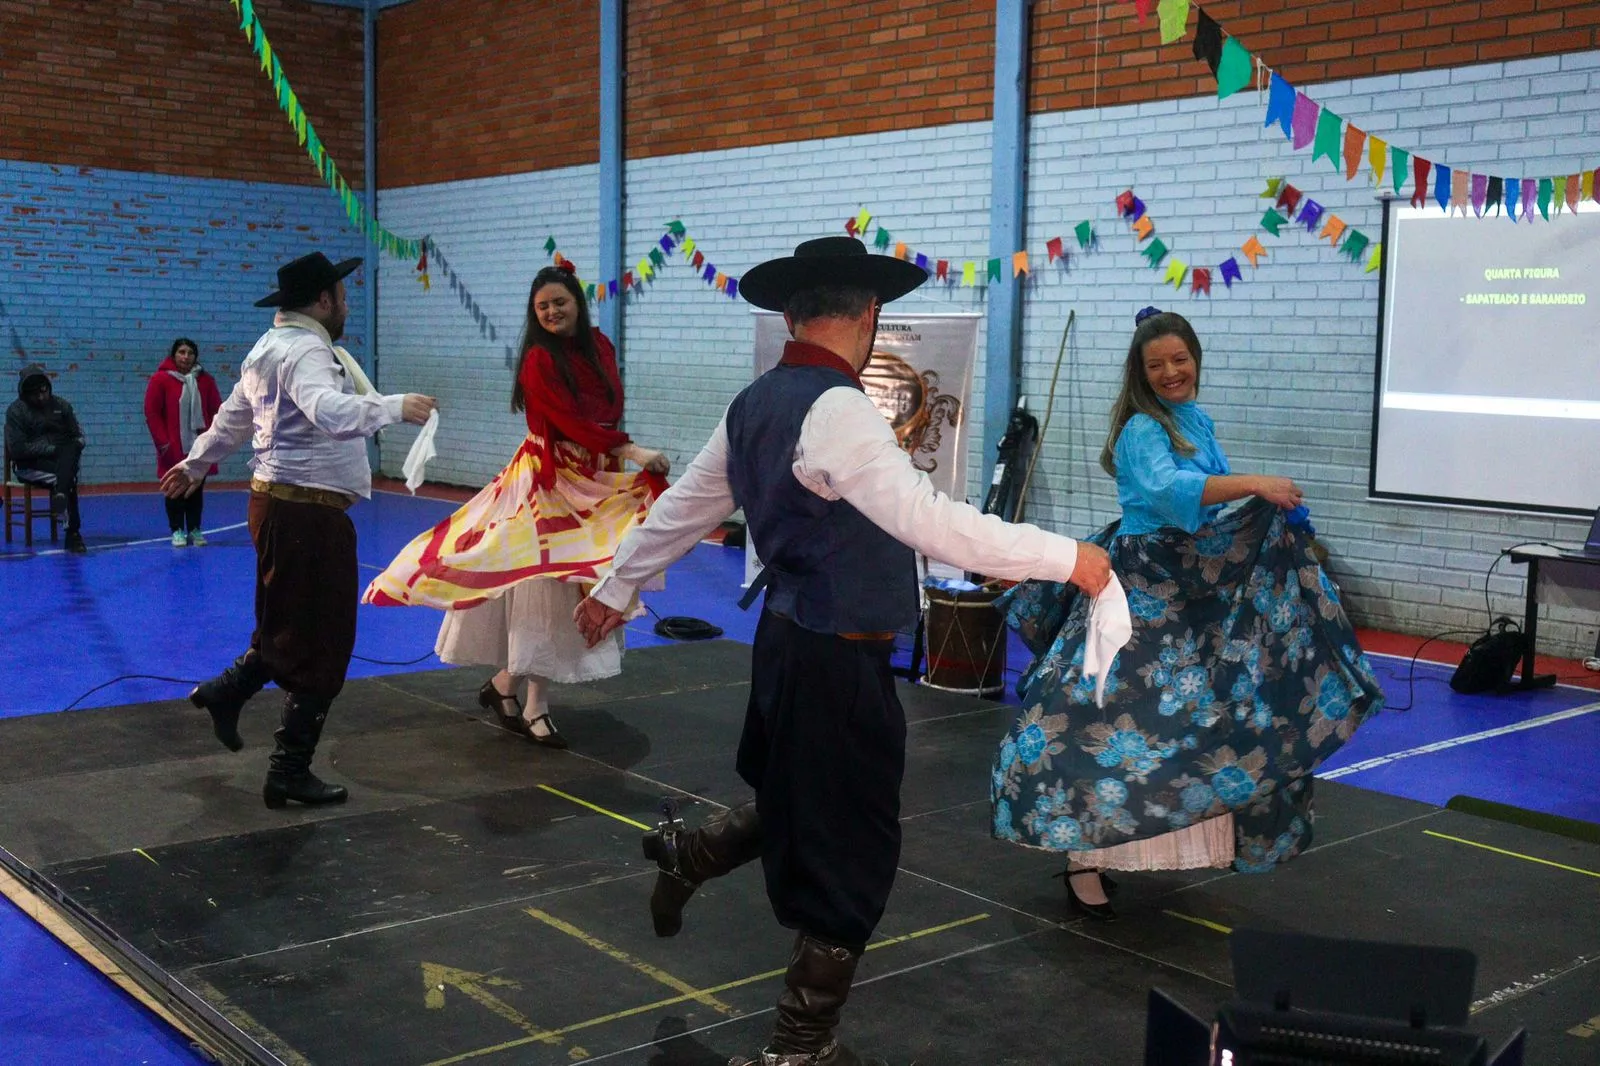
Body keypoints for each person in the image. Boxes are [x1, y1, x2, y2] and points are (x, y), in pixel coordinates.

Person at [573, 236, 1112, 1066]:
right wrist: (1067, 558)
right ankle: (801, 1045)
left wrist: (618, 587)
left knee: (800, 797)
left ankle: (690, 850)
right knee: (852, 846)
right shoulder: (837, 410)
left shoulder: (753, 404)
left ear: (791, 315)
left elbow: (682, 508)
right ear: (870, 316)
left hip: (789, 645)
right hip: (833, 658)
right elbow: (933, 523)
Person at [989, 307, 1385, 920]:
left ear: (1195, 358)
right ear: (1140, 374)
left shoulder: (1194, 419)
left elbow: (1204, 506)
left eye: (1180, 359)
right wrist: (1258, 486)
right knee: (1111, 718)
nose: (1171, 372)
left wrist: (1260, 510)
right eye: (1157, 365)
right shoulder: (1143, 431)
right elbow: (1175, 495)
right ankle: (1084, 859)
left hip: (1189, 584)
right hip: (1144, 588)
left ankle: (1131, 849)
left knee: (1189, 723)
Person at [160, 251, 437, 809]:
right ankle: (287, 768)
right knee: (325, 639)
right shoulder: (308, 350)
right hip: (305, 516)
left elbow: (231, 420)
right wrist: (393, 407)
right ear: (323, 300)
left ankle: (227, 692)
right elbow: (329, 412)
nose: (346, 306)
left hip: (277, 507)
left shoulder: (267, 347)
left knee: (289, 626)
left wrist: (196, 462)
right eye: (342, 296)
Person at [363, 263, 668, 748]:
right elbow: (568, 422)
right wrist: (631, 450)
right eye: (542, 306)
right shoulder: (537, 361)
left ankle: (505, 686)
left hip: (588, 474)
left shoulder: (601, 346)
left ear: (577, 302)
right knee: (543, 584)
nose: (551, 312)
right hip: (546, 481)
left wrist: (613, 455)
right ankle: (534, 705)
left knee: (571, 586)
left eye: (559, 302)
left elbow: (605, 409)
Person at [144, 337, 223, 546]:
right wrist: (164, 443)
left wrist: (211, 440)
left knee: (196, 489)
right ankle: (177, 529)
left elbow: (217, 411)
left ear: (195, 356)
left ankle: (195, 529)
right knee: (174, 489)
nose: (186, 356)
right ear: (174, 355)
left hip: (200, 445)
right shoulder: (160, 380)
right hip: (173, 446)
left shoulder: (205, 381)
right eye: (181, 352)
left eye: (190, 352)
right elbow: (152, 413)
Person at [5, 364, 87, 553]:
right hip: (30, 465)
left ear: (48, 387)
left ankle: (62, 495)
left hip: (62, 458)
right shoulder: (16, 411)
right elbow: (18, 450)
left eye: (44, 392)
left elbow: (78, 437)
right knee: (67, 478)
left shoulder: (62, 406)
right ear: (26, 394)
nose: (42, 397)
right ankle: (72, 534)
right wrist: (52, 449)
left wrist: (72, 446)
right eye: (36, 394)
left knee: (70, 453)